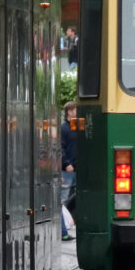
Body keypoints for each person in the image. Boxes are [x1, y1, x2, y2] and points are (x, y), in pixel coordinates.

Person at [60, 102, 76, 241]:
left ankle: (66, 227)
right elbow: (61, 147)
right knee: (63, 199)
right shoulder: (64, 128)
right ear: (69, 112)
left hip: (76, 168)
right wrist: (66, 164)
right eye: (76, 109)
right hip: (68, 169)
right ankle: (63, 230)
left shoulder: (77, 127)